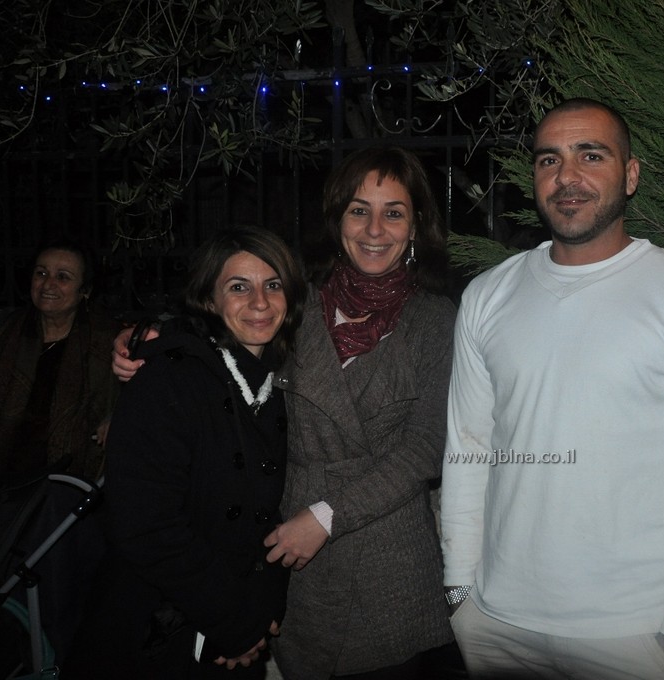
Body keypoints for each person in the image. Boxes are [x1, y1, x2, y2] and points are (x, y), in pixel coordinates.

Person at [112, 147, 458, 678]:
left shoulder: (434, 319)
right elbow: (221, 332)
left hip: (386, 555)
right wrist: (151, 338)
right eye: (358, 210)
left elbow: (426, 447)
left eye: (393, 212)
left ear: (415, 227)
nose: (374, 229)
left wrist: (327, 516)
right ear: (337, 219)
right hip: (289, 556)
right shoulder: (296, 302)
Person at [440, 98, 664, 679]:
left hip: (634, 633)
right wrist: (460, 589)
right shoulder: (487, 295)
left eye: (591, 155)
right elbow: (467, 449)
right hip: (495, 623)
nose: (567, 177)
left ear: (630, 175)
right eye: (549, 160)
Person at [65, 226, 305, 679]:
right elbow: (147, 527)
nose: (260, 302)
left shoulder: (280, 382)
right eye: (239, 287)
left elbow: (266, 514)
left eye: (273, 285)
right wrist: (234, 622)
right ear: (209, 300)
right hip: (155, 632)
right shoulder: (167, 379)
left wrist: (259, 612)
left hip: (230, 628)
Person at [0, 240, 119, 482]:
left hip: (70, 475)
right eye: (41, 273)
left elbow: (129, 397)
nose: (48, 285)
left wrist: (116, 417)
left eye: (63, 277)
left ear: (85, 290)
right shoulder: (8, 332)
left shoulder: (106, 341)